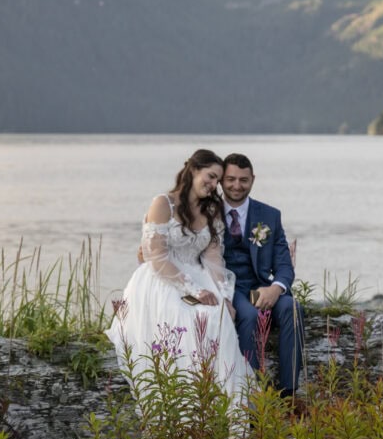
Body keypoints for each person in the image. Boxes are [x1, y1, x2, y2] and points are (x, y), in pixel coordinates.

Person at [106, 149, 253, 408]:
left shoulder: (212, 209)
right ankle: (185, 404)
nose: (214, 184)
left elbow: (213, 257)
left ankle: (221, 406)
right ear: (193, 170)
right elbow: (156, 256)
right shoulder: (163, 204)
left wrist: (224, 297)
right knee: (188, 319)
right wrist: (194, 290)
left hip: (199, 275)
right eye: (210, 176)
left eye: (217, 180)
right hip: (161, 279)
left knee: (218, 316)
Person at [221, 153, 304, 400]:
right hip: (227, 287)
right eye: (231, 179)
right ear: (221, 180)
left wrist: (275, 289)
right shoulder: (207, 213)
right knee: (249, 315)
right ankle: (254, 395)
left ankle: (289, 393)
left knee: (292, 307)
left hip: (259, 287)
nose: (237, 185)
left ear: (253, 180)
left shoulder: (269, 215)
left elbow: (284, 265)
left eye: (243, 180)